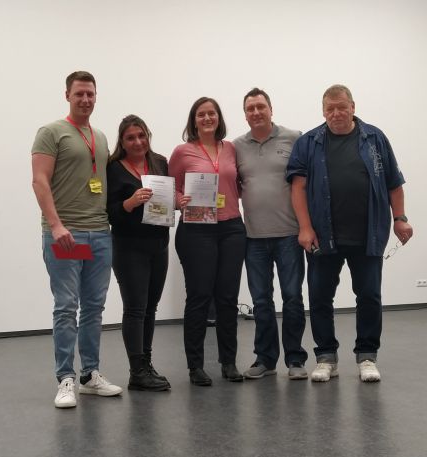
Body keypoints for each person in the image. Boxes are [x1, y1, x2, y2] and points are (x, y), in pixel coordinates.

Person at [286, 84, 413, 383]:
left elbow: (394, 183)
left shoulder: (375, 139)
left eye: (342, 107)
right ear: (323, 111)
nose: (336, 113)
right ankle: (326, 358)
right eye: (330, 109)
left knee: (369, 296)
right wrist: (305, 227)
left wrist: (400, 219)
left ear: (353, 107)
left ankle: (367, 356)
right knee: (320, 298)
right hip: (322, 236)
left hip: (368, 235)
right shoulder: (308, 143)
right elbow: (298, 188)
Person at [31, 71, 122, 408]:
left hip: (99, 234)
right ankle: (65, 378)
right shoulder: (51, 132)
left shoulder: (100, 137)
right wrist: (56, 226)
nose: (85, 99)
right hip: (66, 235)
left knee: (94, 308)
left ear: (96, 97)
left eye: (90, 94)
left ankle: (90, 375)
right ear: (67, 95)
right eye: (79, 93)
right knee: (67, 306)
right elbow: (39, 180)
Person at [169, 97, 247, 386]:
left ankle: (229, 362)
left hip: (231, 228)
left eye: (211, 113)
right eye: (201, 114)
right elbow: (170, 188)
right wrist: (179, 200)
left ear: (218, 118)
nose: (207, 118)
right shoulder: (182, 152)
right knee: (199, 297)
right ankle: (195, 366)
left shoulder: (231, 149)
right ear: (194, 120)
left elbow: (239, 184)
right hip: (196, 229)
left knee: (227, 298)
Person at [234, 88, 308, 380]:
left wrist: (307, 226)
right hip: (253, 238)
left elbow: (306, 183)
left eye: (260, 107)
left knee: (292, 298)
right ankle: (265, 359)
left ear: (270, 109)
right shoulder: (237, 146)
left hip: (289, 234)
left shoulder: (294, 138)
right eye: (250, 108)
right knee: (261, 301)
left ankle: (295, 360)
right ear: (245, 114)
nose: (256, 112)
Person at [107, 115, 171, 392]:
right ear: (122, 142)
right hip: (128, 247)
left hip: (159, 244)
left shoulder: (160, 162)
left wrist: (177, 202)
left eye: (141, 135)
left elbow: (166, 201)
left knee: (150, 308)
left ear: (148, 136)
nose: (137, 142)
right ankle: (136, 372)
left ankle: (146, 364)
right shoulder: (113, 168)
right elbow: (109, 212)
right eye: (130, 138)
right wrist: (130, 203)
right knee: (135, 309)